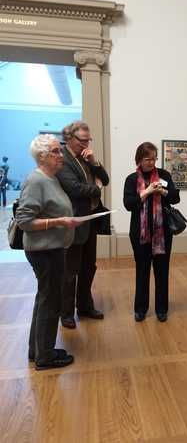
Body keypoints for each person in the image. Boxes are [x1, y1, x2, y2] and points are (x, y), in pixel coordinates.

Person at [16, 134, 82, 370]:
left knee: (44, 299)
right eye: (55, 151)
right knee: (51, 302)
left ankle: (38, 351)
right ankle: (45, 357)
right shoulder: (37, 180)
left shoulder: (50, 178)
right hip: (45, 252)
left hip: (52, 249)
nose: (60, 155)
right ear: (42, 156)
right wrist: (59, 222)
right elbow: (24, 221)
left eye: (60, 150)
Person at [56, 121, 109, 329]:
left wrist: (95, 162)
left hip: (91, 221)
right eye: (83, 140)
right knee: (70, 271)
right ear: (70, 138)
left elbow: (105, 179)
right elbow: (74, 188)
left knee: (89, 267)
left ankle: (85, 306)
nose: (87, 144)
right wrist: (95, 188)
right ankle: (66, 313)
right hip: (74, 222)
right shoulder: (62, 159)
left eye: (89, 140)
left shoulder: (87, 157)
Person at [123, 142, 180, 322]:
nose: (152, 162)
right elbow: (128, 204)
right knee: (142, 270)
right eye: (148, 159)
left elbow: (175, 198)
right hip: (140, 234)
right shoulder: (132, 179)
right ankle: (141, 309)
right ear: (139, 159)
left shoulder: (164, 175)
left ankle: (161, 309)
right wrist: (146, 191)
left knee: (162, 271)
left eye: (154, 158)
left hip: (162, 233)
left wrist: (162, 191)